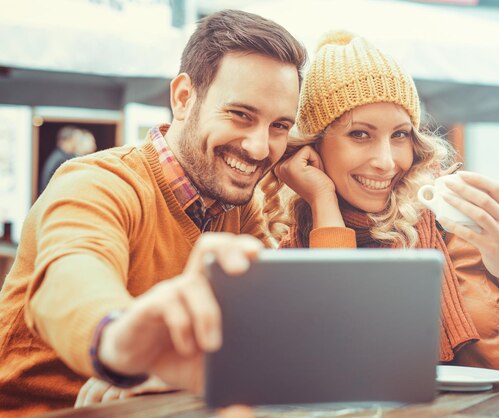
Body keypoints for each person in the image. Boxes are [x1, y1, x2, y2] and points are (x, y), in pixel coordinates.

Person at [0, 9, 305, 416]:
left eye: (280, 126)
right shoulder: (97, 182)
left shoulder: (240, 209)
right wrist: (124, 342)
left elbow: (265, 331)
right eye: (240, 114)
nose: (259, 147)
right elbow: (69, 277)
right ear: (183, 98)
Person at [263, 32, 499, 386]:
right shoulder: (294, 236)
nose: (386, 161)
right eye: (360, 134)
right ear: (315, 145)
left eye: (399, 135)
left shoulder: (466, 211)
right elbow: (339, 366)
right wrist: (323, 202)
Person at [38, 126, 82, 194]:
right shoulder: (61, 160)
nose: (78, 143)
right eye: (76, 140)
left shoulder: (57, 156)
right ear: (69, 140)